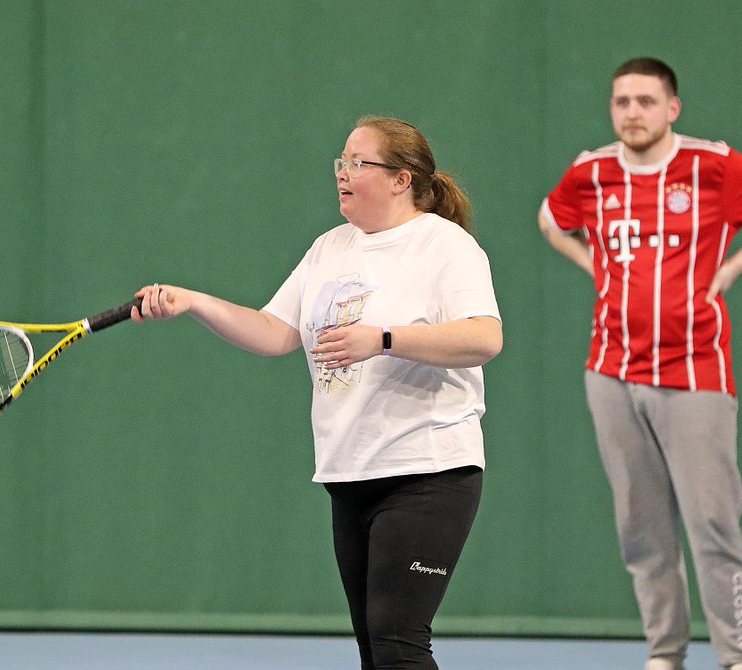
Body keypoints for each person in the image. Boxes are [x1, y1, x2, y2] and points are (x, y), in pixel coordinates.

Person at [133, 116, 502, 670]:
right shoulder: (330, 247)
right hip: (349, 473)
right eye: (341, 162)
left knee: (399, 644)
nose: (343, 174)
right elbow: (274, 331)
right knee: (375, 652)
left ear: (401, 179)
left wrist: (381, 339)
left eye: (359, 163)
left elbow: (484, 337)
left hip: (427, 471)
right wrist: (193, 301)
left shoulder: (445, 246)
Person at [539, 57, 742, 670]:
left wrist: (734, 265)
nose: (633, 112)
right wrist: (594, 267)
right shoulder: (592, 173)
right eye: (622, 102)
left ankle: (738, 657)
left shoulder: (711, 167)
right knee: (641, 530)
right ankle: (664, 652)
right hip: (609, 372)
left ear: (671, 108)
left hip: (694, 374)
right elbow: (552, 222)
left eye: (646, 101)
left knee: (713, 524)